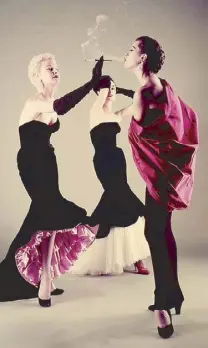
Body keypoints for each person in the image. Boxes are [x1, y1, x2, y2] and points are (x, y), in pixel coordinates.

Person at [0, 53, 104, 307]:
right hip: (31, 163)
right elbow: (62, 106)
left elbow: (58, 110)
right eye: (49, 68)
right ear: (37, 76)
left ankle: (45, 280)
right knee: (47, 212)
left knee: (48, 217)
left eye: (56, 67)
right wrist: (90, 83)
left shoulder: (47, 101)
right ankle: (37, 279)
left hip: (47, 161)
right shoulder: (35, 101)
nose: (55, 70)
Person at [115, 36, 199, 338]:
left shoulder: (143, 94)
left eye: (131, 49)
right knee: (163, 231)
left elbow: (132, 113)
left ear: (142, 59)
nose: (126, 52)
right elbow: (153, 109)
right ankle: (174, 294)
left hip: (159, 180)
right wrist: (122, 95)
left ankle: (163, 305)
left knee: (154, 233)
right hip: (166, 176)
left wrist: (110, 109)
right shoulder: (160, 85)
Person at [71, 76, 150, 276]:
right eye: (108, 88)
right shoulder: (95, 111)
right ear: (100, 91)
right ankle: (137, 260)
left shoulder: (116, 115)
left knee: (118, 202)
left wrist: (120, 89)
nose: (111, 91)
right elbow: (102, 93)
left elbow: (139, 100)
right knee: (124, 200)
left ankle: (133, 258)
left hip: (117, 159)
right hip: (104, 160)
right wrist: (103, 83)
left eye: (113, 88)